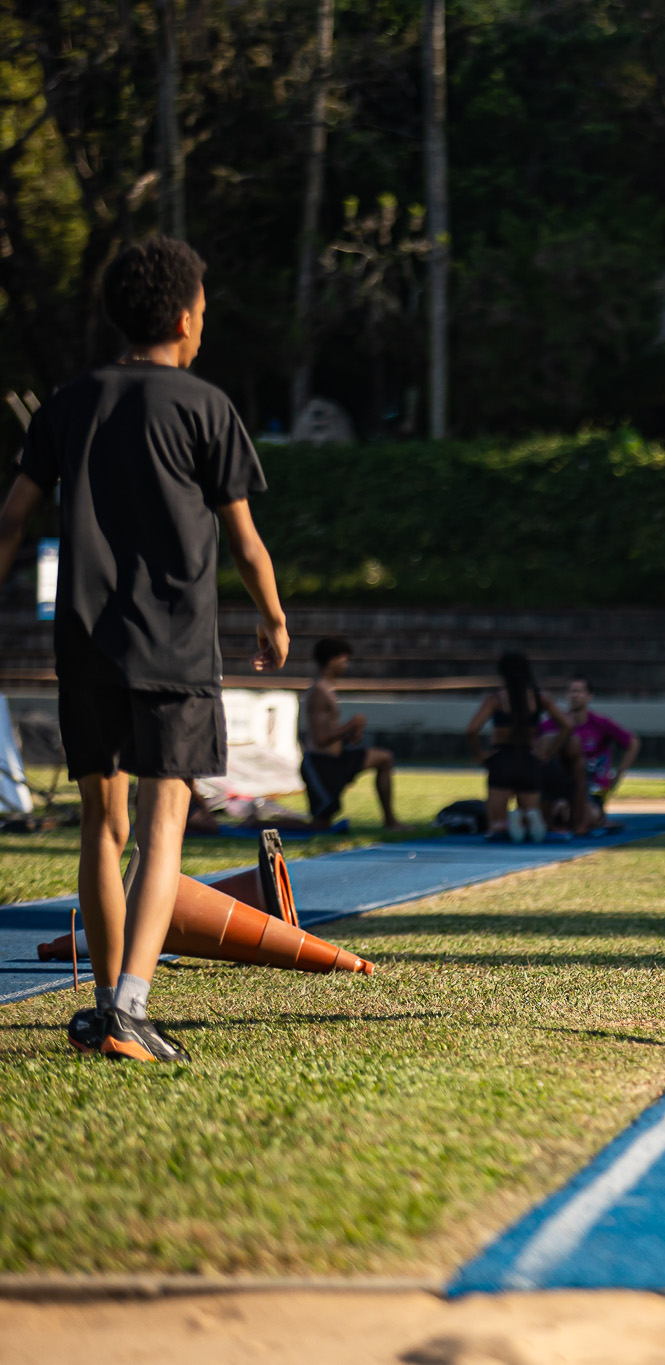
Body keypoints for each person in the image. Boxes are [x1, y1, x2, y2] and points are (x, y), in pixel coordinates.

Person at [0, 236, 289, 1062]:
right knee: (167, 821)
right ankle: (132, 1006)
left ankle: (98, 1007)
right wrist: (271, 615)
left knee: (101, 823)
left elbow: (13, 516)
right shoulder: (205, 408)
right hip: (174, 646)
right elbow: (243, 539)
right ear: (186, 316)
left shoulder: (68, 401)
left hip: (86, 644)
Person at [465, 650, 572, 843]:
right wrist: (550, 752)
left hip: (502, 759)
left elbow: (472, 730)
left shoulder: (496, 700)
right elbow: (567, 725)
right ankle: (527, 819)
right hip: (529, 760)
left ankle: (506, 824)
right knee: (531, 810)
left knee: (495, 826)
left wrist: (479, 754)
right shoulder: (540, 698)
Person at [301, 636, 401, 830]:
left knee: (384, 758)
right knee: (319, 826)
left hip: (338, 758)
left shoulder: (327, 689)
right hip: (321, 764)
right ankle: (259, 825)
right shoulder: (319, 692)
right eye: (344, 660)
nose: (346, 666)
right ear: (333, 660)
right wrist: (350, 725)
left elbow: (330, 733)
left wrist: (349, 734)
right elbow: (320, 739)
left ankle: (390, 821)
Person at [538, 677, 640, 832]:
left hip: (591, 787)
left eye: (579, 691)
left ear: (589, 696)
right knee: (558, 810)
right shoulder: (552, 724)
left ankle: (588, 817)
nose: (574, 695)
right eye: (571, 691)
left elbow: (632, 742)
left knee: (588, 816)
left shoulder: (600, 723)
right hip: (562, 784)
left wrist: (618, 775)